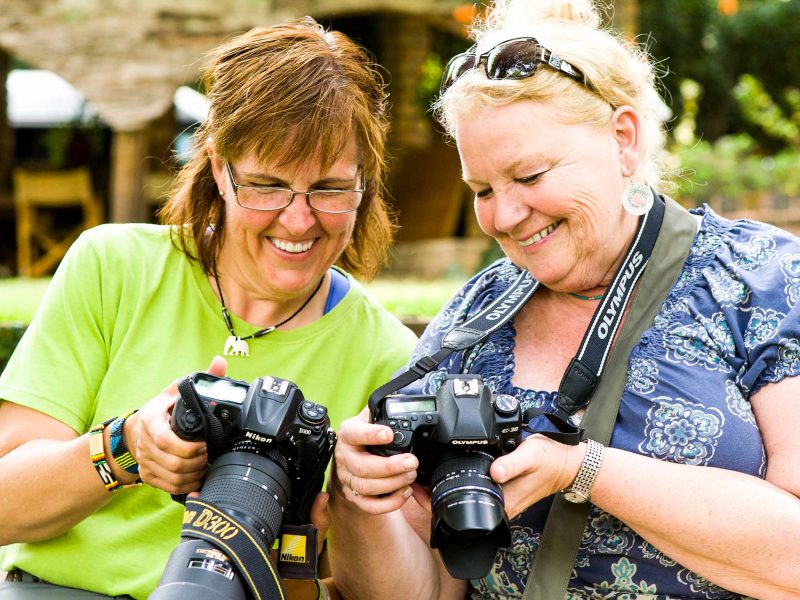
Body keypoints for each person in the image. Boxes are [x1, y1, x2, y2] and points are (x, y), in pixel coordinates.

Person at [328, 1, 800, 598]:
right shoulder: (480, 313)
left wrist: (584, 470)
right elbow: (423, 591)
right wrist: (361, 499)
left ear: (623, 140)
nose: (502, 216)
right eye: (482, 189)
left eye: (528, 177)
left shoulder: (760, 278)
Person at [0, 17, 417, 600]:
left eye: (328, 188)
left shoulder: (391, 357)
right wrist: (125, 448)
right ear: (219, 168)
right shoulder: (114, 267)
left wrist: (320, 531)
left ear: (365, 183)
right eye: (267, 185)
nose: (298, 221)